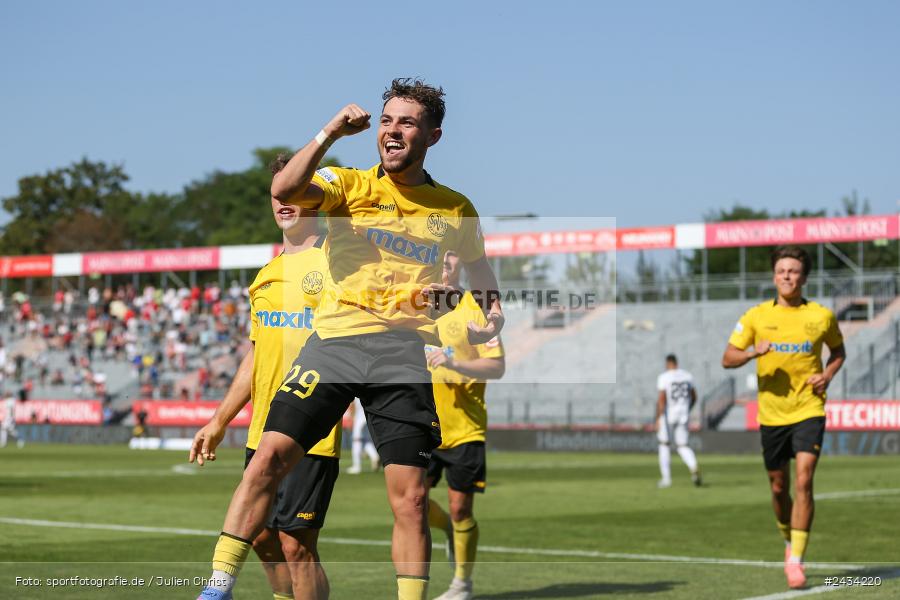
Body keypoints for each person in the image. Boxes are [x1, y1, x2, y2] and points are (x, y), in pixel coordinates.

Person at [195, 78, 504, 600]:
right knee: (267, 458)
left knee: (408, 500)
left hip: (401, 355)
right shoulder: (348, 184)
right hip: (335, 344)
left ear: (433, 134)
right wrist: (330, 131)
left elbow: (481, 271)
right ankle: (217, 587)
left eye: (407, 122)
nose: (393, 130)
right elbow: (286, 189)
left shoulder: (455, 208)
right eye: (386, 120)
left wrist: (492, 313)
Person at [191, 154, 340, 600]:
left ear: (316, 198)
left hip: (310, 427)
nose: (285, 202)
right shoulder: (265, 276)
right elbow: (256, 355)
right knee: (259, 538)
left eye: (295, 192)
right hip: (262, 426)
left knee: (297, 545)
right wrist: (219, 420)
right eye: (279, 193)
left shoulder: (336, 263)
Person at [722, 246, 845, 589]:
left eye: (793, 271)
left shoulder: (821, 316)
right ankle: (788, 540)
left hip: (809, 409)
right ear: (774, 277)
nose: (787, 276)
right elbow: (727, 357)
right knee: (779, 487)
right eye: (781, 271)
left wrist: (828, 375)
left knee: (804, 480)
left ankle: (796, 561)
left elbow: (838, 351)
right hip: (772, 415)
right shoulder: (756, 317)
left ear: (804, 278)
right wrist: (751, 353)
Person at [425, 251, 505, 600]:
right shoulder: (418, 302)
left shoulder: (478, 308)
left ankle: (462, 584)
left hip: (464, 427)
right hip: (422, 423)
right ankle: (444, 531)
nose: (444, 258)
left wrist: (455, 362)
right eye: (439, 250)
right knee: (409, 503)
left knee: (461, 508)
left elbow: (497, 367)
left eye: (452, 252)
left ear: (462, 262)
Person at [654, 354, 700, 488]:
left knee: (664, 444)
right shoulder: (687, 376)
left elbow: (662, 399)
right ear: (676, 363)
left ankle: (666, 479)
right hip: (684, 414)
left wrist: (658, 418)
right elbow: (694, 397)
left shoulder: (664, 377)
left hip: (669, 414)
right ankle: (693, 466)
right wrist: (687, 408)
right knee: (682, 445)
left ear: (668, 363)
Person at [346, 397, 380, 474]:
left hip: (359, 420)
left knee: (356, 441)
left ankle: (356, 466)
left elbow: (352, 405)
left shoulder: (356, 393)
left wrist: (351, 418)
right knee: (365, 441)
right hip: (368, 419)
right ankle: (375, 456)